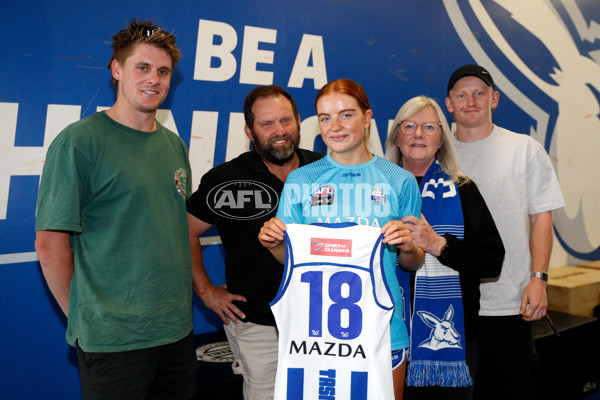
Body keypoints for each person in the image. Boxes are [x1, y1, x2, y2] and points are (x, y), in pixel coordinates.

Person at [34, 19, 196, 400]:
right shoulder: (79, 142)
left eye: (163, 71)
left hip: (176, 333)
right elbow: (49, 244)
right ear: (117, 69)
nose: (153, 79)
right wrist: (86, 321)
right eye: (142, 67)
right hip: (113, 342)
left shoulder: (173, 145)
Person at [259, 78, 425, 400]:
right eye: (324, 117)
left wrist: (407, 245)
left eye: (346, 115)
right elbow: (292, 261)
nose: (334, 126)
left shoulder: (400, 181)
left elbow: (413, 262)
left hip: (383, 332)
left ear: (366, 118)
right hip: (316, 335)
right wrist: (275, 243)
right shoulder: (301, 180)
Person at [186, 85, 323, 400]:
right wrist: (205, 290)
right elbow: (186, 229)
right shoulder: (226, 179)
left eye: (286, 121)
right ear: (249, 130)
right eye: (267, 124)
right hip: (258, 324)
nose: (280, 131)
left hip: (322, 319)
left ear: (299, 121)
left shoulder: (325, 172)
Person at [445, 64, 565, 400]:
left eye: (480, 93)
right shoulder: (437, 156)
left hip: (511, 304)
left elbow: (542, 217)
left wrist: (538, 279)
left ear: (494, 99)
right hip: (454, 308)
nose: (471, 100)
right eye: (462, 94)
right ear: (449, 103)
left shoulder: (524, 149)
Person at [385, 95, 504, 399]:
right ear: (396, 136)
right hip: (386, 334)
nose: (419, 134)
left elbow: (492, 260)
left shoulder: (463, 189)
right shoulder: (376, 189)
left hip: (454, 340)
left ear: (441, 139)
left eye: (428, 126)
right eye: (409, 126)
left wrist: (439, 244)